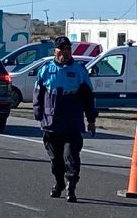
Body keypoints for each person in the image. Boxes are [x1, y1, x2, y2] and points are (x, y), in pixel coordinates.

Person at [33, 34, 96, 200]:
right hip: (51, 121)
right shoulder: (45, 70)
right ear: (55, 50)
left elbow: (88, 97)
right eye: (62, 49)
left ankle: (71, 186)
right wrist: (38, 110)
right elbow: (38, 94)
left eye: (68, 49)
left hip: (72, 121)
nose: (65, 52)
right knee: (56, 159)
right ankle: (59, 182)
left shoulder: (79, 70)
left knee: (71, 156)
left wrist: (91, 119)